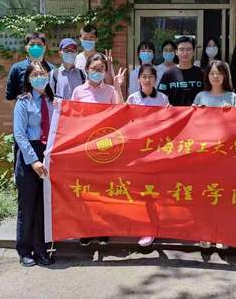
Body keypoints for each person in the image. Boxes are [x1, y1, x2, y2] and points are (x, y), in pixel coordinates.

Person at [71, 53, 126, 246]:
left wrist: (117, 85)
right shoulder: (78, 91)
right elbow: (72, 117)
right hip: (84, 147)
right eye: (94, 69)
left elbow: (120, 110)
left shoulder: (110, 90)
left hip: (105, 146)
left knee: (103, 188)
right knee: (86, 189)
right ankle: (85, 230)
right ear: (86, 69)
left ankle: (102, 229)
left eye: (101, 69)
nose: (97, 72)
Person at [193, 60, 236, 250]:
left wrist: (232, 114)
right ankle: (204, 233)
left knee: (223, 196)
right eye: (212, 73)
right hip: (204, 154)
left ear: (225, 76)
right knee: (205, 195)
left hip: (225, 155)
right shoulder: (200, 96)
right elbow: (191, 123)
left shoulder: (233, 97)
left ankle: (222, 234)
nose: (215, 76)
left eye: (219, 73)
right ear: (207, 76)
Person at [13, 61, 54, 267]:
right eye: (35, 75)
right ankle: (24, 250)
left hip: (49, 154)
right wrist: (34, 160)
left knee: (43, 207)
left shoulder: (53, 101)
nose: (40, 78)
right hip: (30, 154)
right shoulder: (23, 102)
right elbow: (19, 134)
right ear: (29, 79)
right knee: (28, 205)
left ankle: (41, 249)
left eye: (43, 74)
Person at [126, 63, 169, 247]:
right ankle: (145, 229)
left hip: (157, 151)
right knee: (141, 191)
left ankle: (157, 226)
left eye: (150, 76)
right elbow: (125, 122)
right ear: (138, 80)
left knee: (156, 190)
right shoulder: (132, 98)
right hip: (138, 152)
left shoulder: (163, 98)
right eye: (144, 76)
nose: (147, 79)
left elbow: (170, 121)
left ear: (155, 79)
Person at [5, 32, 53, 101]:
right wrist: (23, 101)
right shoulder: (17, 68)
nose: (35, 47)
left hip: (47, 107)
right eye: (32, 44)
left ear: (44, 48)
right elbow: (10, 96)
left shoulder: (52, 69)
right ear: (26, 48)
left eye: (39, 44)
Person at [158, 36, 203, 106]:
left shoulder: (201, 73)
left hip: (196, 113)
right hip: (174, 113)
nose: (185, 53)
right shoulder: (168, 74)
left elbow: (208, 95)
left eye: (189, 49)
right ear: (176, 52)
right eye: (182, 49)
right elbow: (159, 97)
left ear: (194, 52)